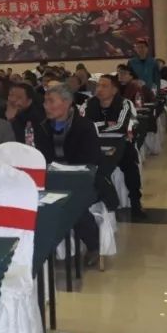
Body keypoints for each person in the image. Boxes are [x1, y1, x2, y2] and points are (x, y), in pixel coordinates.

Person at [33, 84, 108, 268]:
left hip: (83, 179)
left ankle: (93, 246)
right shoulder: (42, 126)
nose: (46, 106)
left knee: (73, 204)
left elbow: (90, 160)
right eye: (45, 102)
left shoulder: (84, 126)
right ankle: (43, 247)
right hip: (52, 178)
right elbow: (42, 157)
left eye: (51, 102)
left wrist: (65, 169)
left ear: (67, 103)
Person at [85, 74, 145, 219]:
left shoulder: (124, 103)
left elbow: (121, 126)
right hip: (95, 144)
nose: (99, 89)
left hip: (121, 143)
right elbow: (85, 126)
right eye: (98, 86)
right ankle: (103, 203)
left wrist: (97, 127)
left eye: (104, 86)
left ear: (114, 90)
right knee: (92, 168)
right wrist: (106, 124)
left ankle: (135, 203)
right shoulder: (90, 103)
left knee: (130, 165)